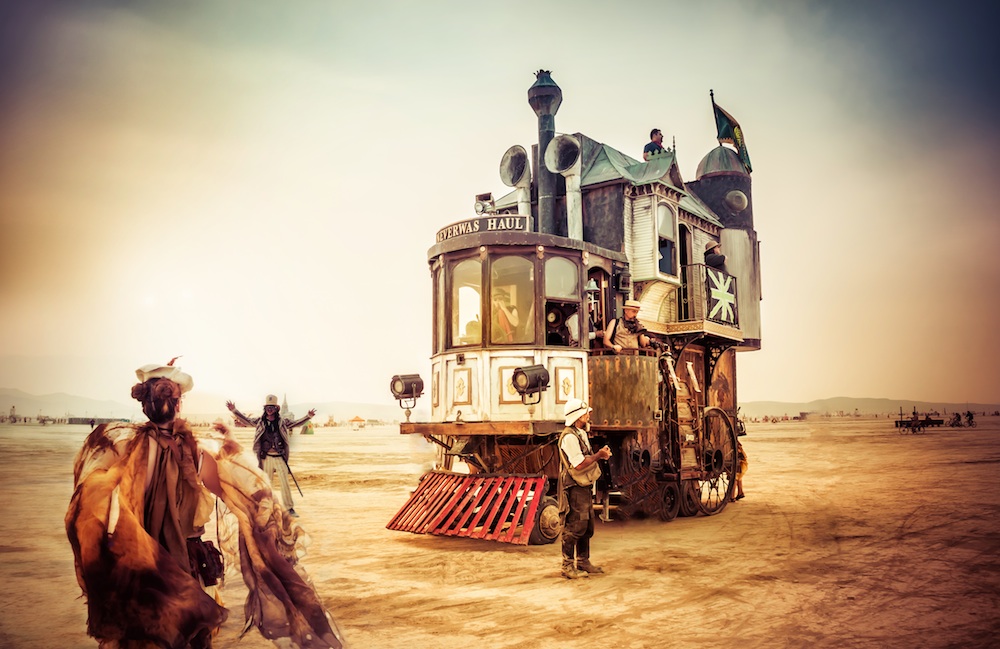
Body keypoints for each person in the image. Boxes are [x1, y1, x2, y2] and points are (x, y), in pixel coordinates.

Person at [65, 361, 344, 648]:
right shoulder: (192, 451)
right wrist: (229, 443)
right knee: (189, 634)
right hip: (186, 565)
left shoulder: (125, 449)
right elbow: (231, 489)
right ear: (177, 404)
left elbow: (93, 504)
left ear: (144, 404)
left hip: (141, 563)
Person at [227, 395, 315, 517]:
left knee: (285, 483)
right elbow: (246, 420)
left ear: (276, 409)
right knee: (267, 484)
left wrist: (308, 416)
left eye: (272, 407)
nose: (270, 409)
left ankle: (289, 508)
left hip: (280, 457)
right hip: (265, 457)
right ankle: (268, 508)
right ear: (265, 409)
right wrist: (234, 410)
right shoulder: (260, 422)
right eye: (268, 407)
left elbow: (296, 423)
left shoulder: (282, 422)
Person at [558, 398, 611, 579]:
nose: (588, 415)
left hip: (584, 486)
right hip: (574, 487)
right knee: (575, 526)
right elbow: (579, 464)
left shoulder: (579, 433)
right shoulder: (570, 437)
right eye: (586, 413)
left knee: (586, 525)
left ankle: (582, 561)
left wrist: (598, 455)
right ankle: (567, 566)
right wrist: (599, 455)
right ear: (578, 416)